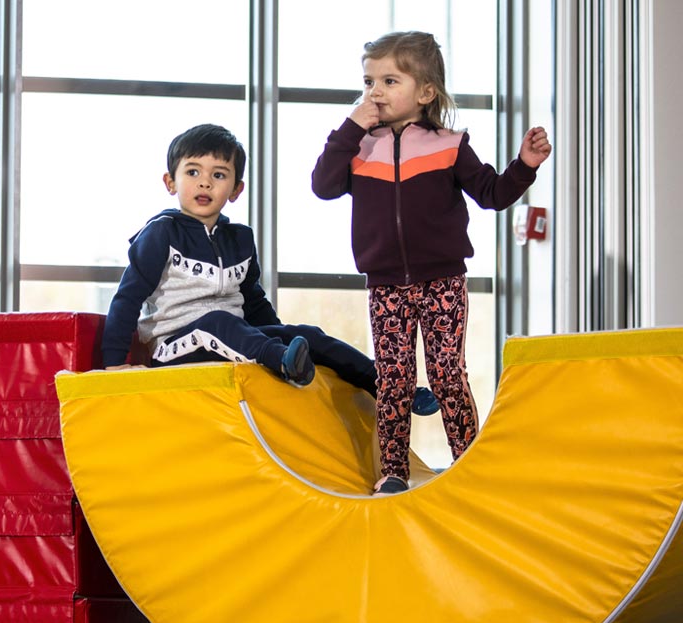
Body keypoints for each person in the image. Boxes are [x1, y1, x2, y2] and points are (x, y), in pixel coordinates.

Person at [311, 31, 552, 495]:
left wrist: (524, 165)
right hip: (386, 285)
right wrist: (350, 128)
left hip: (443, 280)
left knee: (446, 373)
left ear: (425, 93)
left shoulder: (448, 144)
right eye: (368, 82)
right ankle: (393, 471)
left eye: (388, 80)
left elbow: (492, 194)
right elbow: (323, 184)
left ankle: (469, 462)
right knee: (394, 378)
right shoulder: (358, 148)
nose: (374, 92)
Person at [102, 123, 439, 415]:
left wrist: (281, 335)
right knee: (218, 323)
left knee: (307, 333)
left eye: (218, 175)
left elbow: (253, 301)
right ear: (170, 182)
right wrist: (114, 362)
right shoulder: (161, 233)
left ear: (236, 190)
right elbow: (127, 297)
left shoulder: (240, 239)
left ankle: (390, 388)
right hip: (175, 346)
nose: (204, 183)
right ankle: (283, 362)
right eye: (193, 172)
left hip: (232, 335)